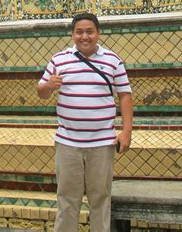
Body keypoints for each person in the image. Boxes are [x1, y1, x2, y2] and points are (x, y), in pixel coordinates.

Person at [37, 12, 133, 232]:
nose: (85, 36)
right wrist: (48, 86)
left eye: (89, 31)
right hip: (68, 143)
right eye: (79, 32)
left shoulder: (113, 60)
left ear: (98, 33)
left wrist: (126, 132)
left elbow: (125, 96)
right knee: (67, 200)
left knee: (100, 198)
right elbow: (41, 92)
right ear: (72, 35)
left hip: (101, 143)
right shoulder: (59, 60)